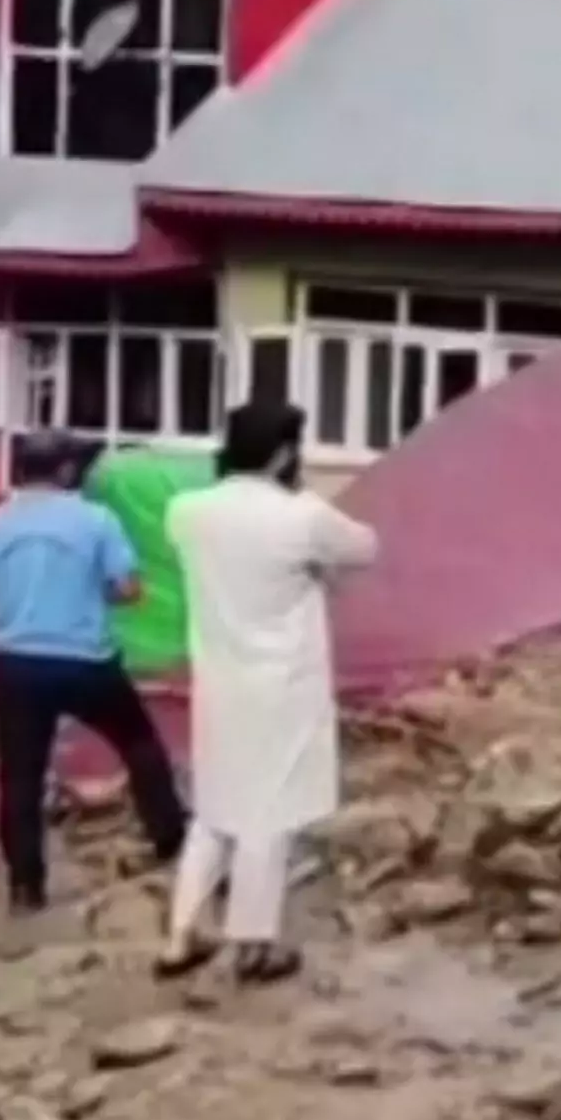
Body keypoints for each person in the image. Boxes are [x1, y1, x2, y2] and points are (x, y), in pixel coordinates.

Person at [161, 399, 379, 983]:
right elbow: (364, 547)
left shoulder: (187, 511)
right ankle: (252, 942)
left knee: (213, 808)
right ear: (285, 453)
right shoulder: (300, 517)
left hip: (220, 680)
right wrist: (305, 510)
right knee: (269, 813)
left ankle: (182, 932)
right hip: (281, 686)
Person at [0, 433, 191, 918]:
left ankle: (26, 887)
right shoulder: (96, 521)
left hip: (15, 663)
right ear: (64, 472)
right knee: (138, 743)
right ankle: (168, 837)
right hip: (85, 658)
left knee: (20, 773)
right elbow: (126, 589)